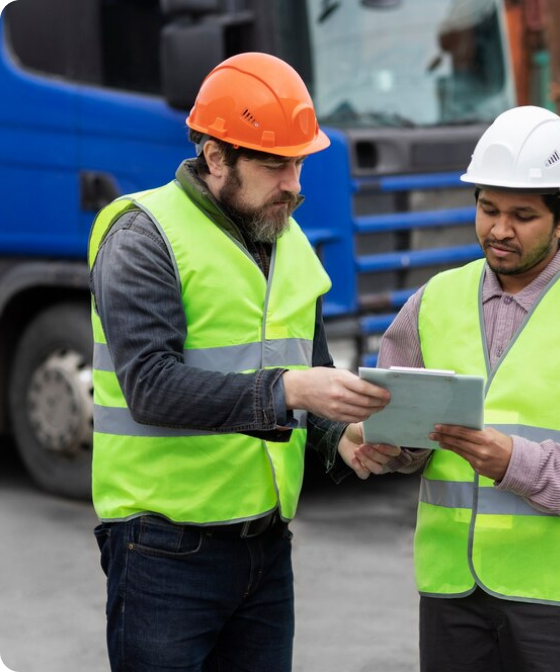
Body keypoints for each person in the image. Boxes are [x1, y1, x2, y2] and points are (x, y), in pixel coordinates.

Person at [88, 52, 398, 672]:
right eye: (273, 164)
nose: (293, 183)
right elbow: (150, 387)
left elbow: (308, 363)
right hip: (163, 550)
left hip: (266, 546)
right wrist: (291, 391)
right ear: (215, 158)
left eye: (299, 162)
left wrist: (340, 439)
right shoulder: (142, 237)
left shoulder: (286, 233)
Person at [355, 105, 560, 671]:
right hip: (454, 593)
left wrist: (517, 462)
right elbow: (405, 439)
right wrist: (383, 446)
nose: (499, 230)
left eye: (522, 215)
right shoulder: (431, 303)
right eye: (488, 209)